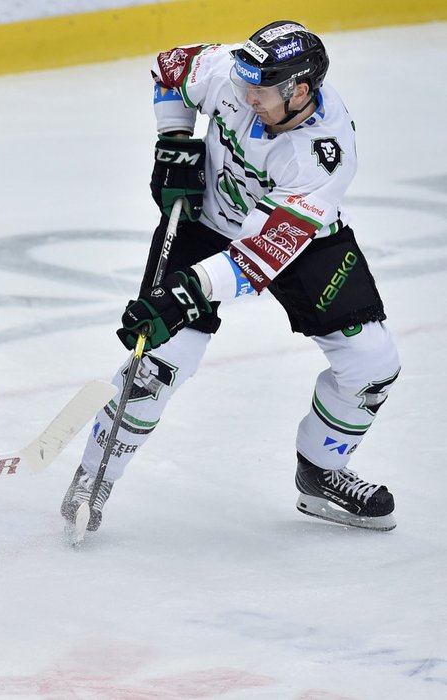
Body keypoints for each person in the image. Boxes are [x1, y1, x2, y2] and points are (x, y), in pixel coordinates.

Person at [61, 21, 400, 535]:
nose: (244, 97)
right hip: (205, 220)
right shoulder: (229, 71)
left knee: (372, 362)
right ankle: (94, 475)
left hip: (300, 241)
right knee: (157, 362)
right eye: (242, 84)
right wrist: (173, 140)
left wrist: (185, 295)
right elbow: (169, 69)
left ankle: (321, 471)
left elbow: (260, 254)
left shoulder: (323, 158)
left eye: (259, 92)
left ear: (301, 91)